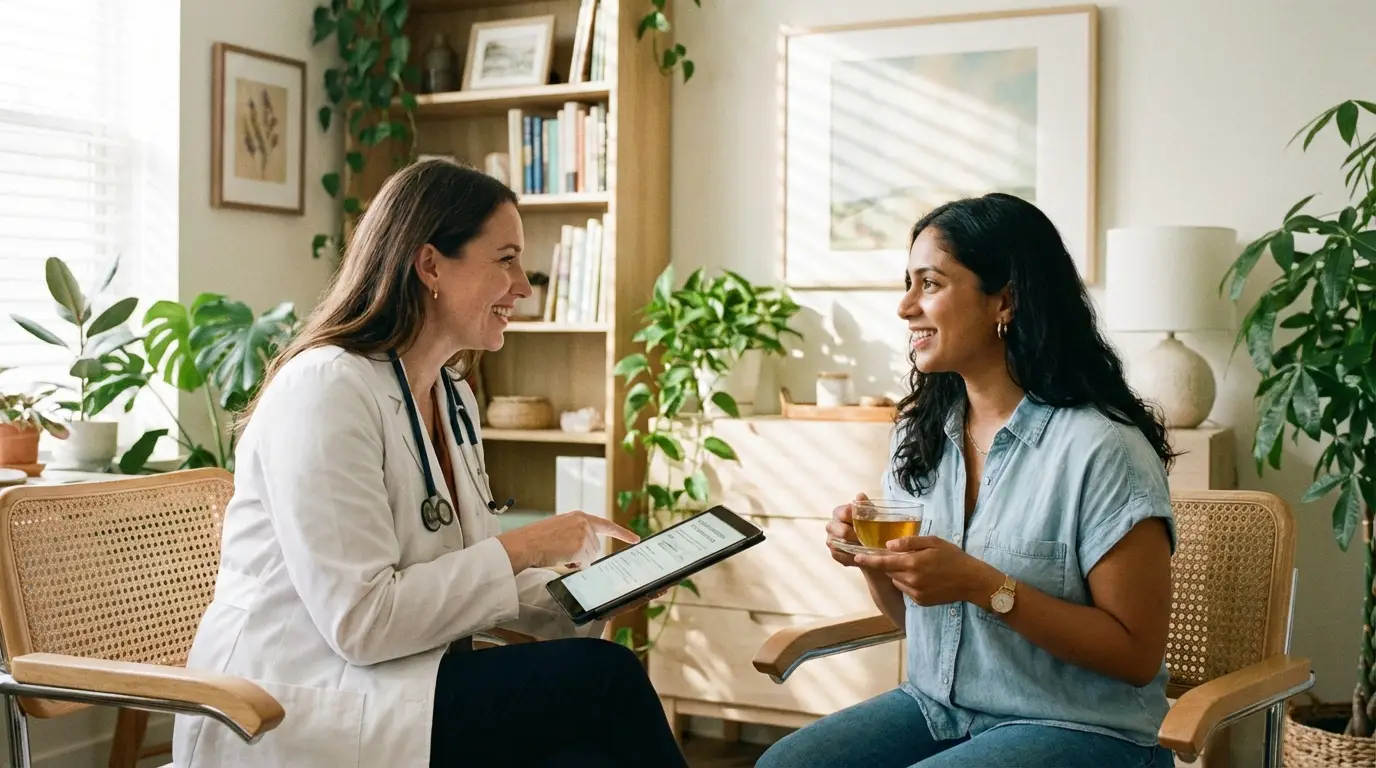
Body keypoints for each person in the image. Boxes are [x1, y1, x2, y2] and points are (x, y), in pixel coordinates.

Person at [171, 159, 687, 768]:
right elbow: (362, 622)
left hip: (400, 682)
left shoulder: (451, 396)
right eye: (506, 259)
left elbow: (458, 577)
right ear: (431, 264)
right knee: (600, 681)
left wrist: (589, 594)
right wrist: (528, 545)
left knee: (588, 730)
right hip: (290, 704)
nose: (524, 285)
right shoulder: (324, 389)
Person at [757, 193, 1179, 768]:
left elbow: (1135, 653)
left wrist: (984, 585)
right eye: (908, 283)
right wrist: (871, 562)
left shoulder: (1102, 449)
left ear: (1004, 299)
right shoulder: (922, 434)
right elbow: (920, 621)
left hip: (1080, 728)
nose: (906, 307)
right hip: (938, 709)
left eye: (929, 283)